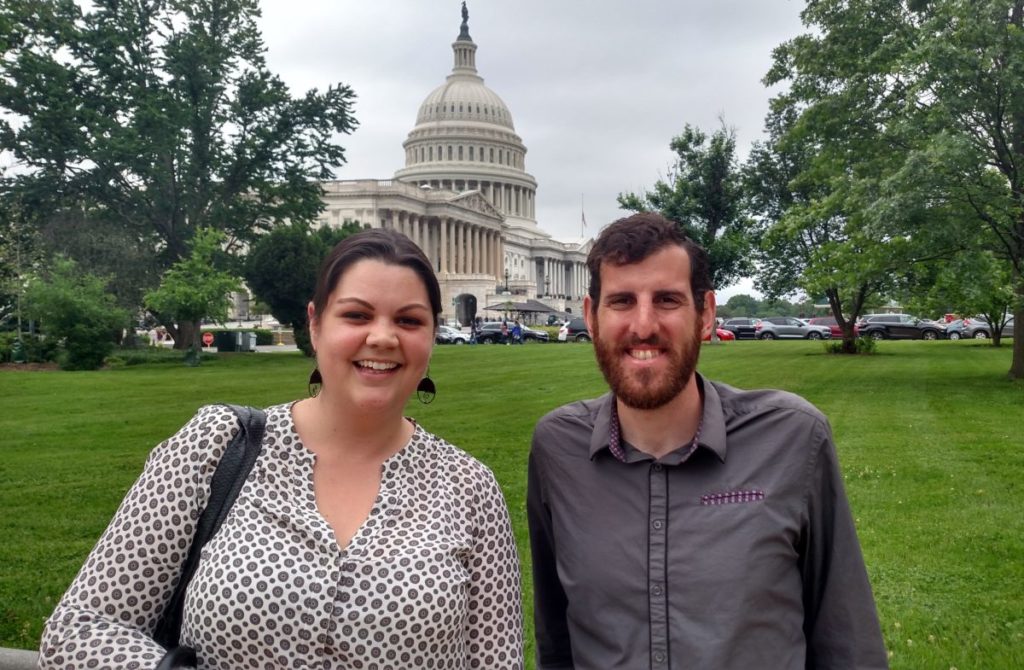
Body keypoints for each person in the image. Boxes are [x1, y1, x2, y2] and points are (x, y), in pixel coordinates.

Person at [40, 228, 524, 669]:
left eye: (409, 320)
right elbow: (80, 631)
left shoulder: (470, 488)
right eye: (356, 315)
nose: (382, 337)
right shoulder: (214, 445)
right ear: (315, 323)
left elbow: (494, 661)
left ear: (431, 335)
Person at [527, 213, 887, 669]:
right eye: (621, 301)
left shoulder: (792, 438)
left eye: (667, 300)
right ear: (590, 317)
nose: (643, 325)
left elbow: (847, 642)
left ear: (706, 314)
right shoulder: (558, 448)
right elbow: (556, 640)